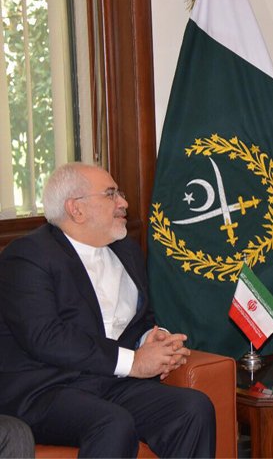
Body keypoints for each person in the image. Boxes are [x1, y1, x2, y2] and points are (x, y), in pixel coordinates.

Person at [0, 163, 216, 458]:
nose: (124, 203)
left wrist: (154, 340)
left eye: (120, 194)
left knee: (193, 408)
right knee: (112, 423)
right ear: (76, 209)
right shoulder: (27, 256)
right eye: (111, 194)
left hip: (110, 384)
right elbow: (46, 337)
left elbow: (140, 319)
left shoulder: (125, 249)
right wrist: (134, 362)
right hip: (48, 390)